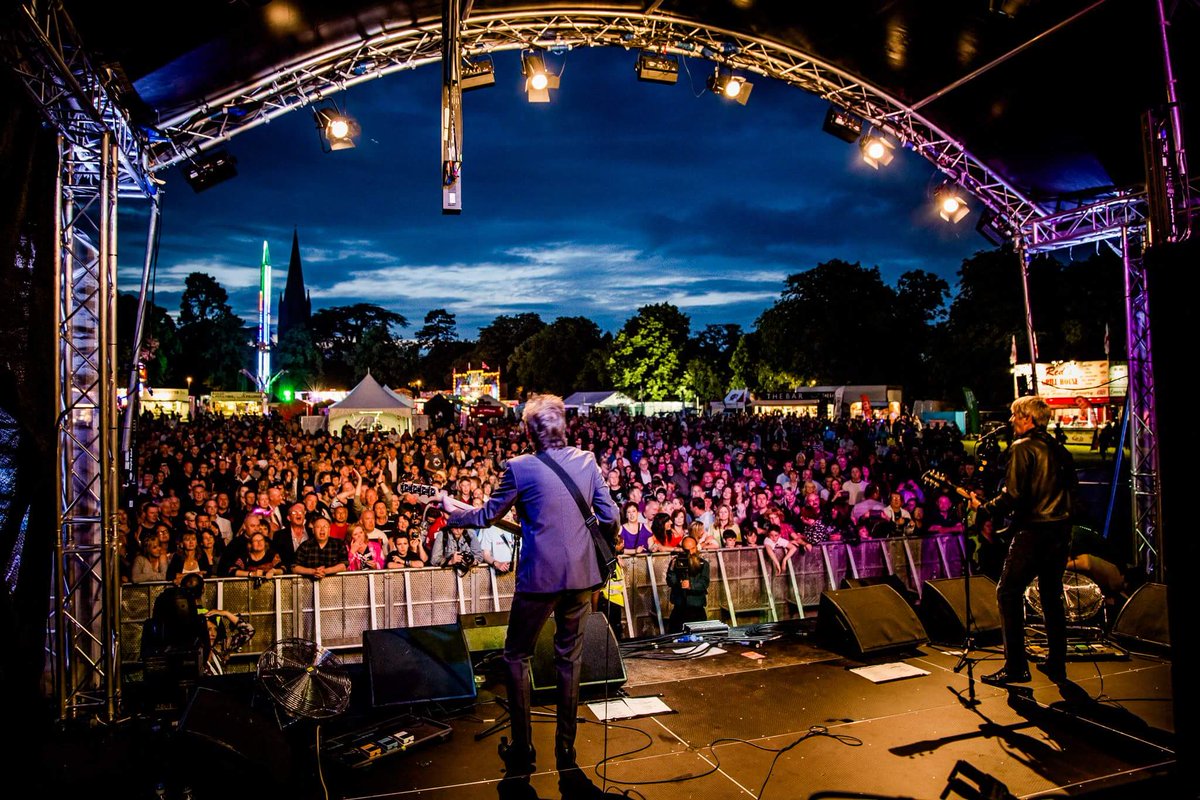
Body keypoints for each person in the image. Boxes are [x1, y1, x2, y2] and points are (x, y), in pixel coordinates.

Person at [440, 393, 618, 775]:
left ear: (529, 431)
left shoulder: (520, 467)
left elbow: (488, 515)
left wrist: (452, 515)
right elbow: (610, 515)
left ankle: (523, 750)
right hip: (583, 577)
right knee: (569, 658)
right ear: (563, 426)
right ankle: (566, 752)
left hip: (540, 578)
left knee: (516, 656)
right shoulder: (587, 461)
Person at [970, 395, 1076, 685]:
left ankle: (1016, 667)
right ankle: (1057, 661)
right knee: (1051, 594)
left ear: (1028, 418)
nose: (1011, 420)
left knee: (1008, 592)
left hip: (1034, 531)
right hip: (1061, 530)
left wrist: (985, 508)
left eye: (1015, 415)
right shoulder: (1058, 448)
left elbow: (1013, 495)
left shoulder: (1022, 447)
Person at [665, 535, 710, 633]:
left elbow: (704, 583)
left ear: (696, 547)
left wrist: (691, 585)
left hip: (696, 608)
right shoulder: (677, 563)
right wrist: (672, 568)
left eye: (692, 548)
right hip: (679, 608)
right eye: (687, 549)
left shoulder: (703, 564)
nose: (690, 552)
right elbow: (670, 582)